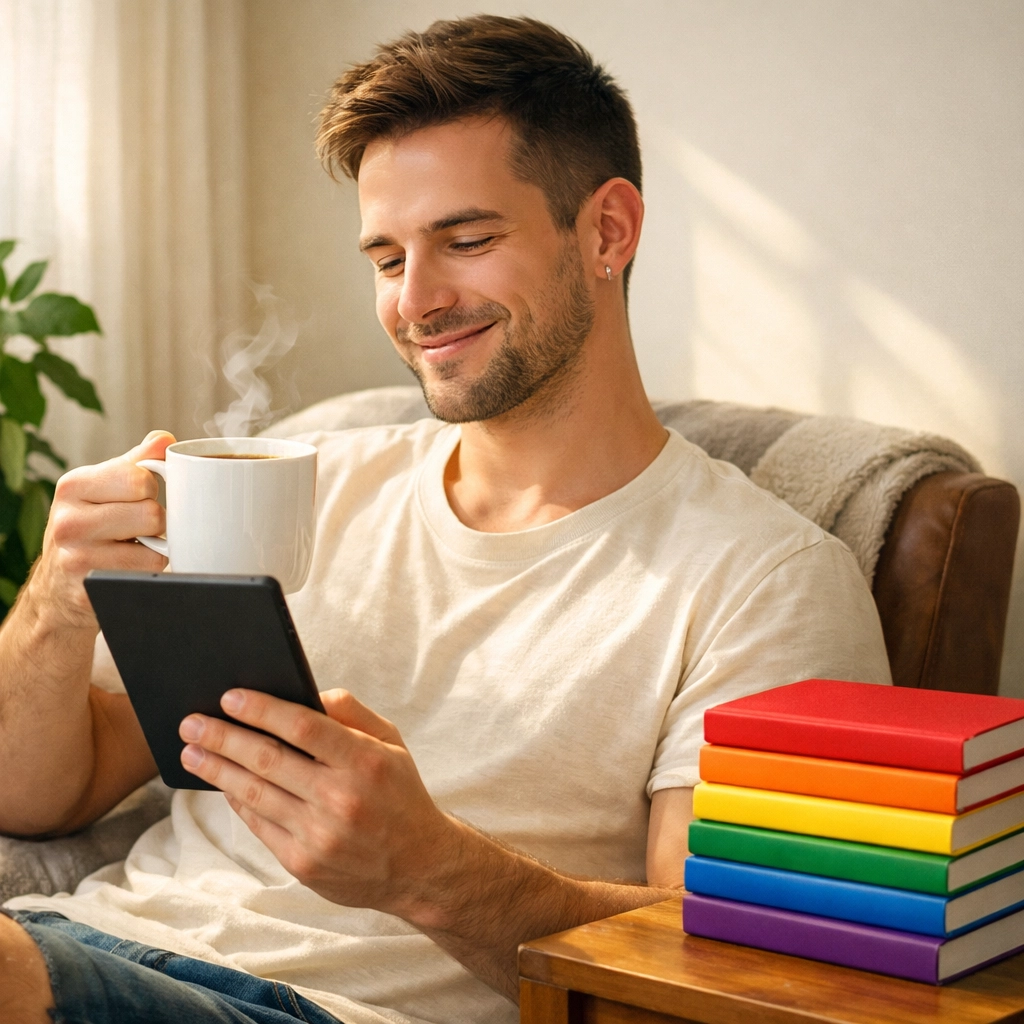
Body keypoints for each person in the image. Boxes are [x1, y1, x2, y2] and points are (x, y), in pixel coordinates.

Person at [0, 15, 892, 1024]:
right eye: (386, 258)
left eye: (465, 241)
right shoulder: (307, 485)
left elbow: (724, 977)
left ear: (607, 231)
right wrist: (55, 602)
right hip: (76, 947)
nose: (416, 302)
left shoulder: (766, 581)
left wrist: (429, 870)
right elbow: (33, 796)